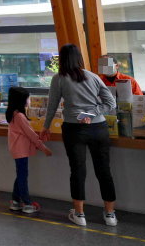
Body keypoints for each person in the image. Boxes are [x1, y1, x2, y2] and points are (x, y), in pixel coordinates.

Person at [42, 44, 117, 228]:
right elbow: (111, 103)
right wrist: (91, 114)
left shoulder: (59, 78)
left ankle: (79, 214)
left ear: (62, 59)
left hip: (74, 130)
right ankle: (110, 215)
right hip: (99, 128)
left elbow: (52, 105)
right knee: (104, 171)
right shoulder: (93, 76)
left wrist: (46, 127)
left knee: (77, 171)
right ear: (79, 58)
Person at [6, 86, 52, 214]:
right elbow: (31, 135)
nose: (29, 101)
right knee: (22, 177)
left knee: (20, 175)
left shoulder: (13, 114)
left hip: (17, 150)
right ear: (21, 100)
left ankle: (15, 201)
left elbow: (27, 134)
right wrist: (44, 148)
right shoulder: (20, 116)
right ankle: (27, 203)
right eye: (27, 98)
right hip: (20, 151)